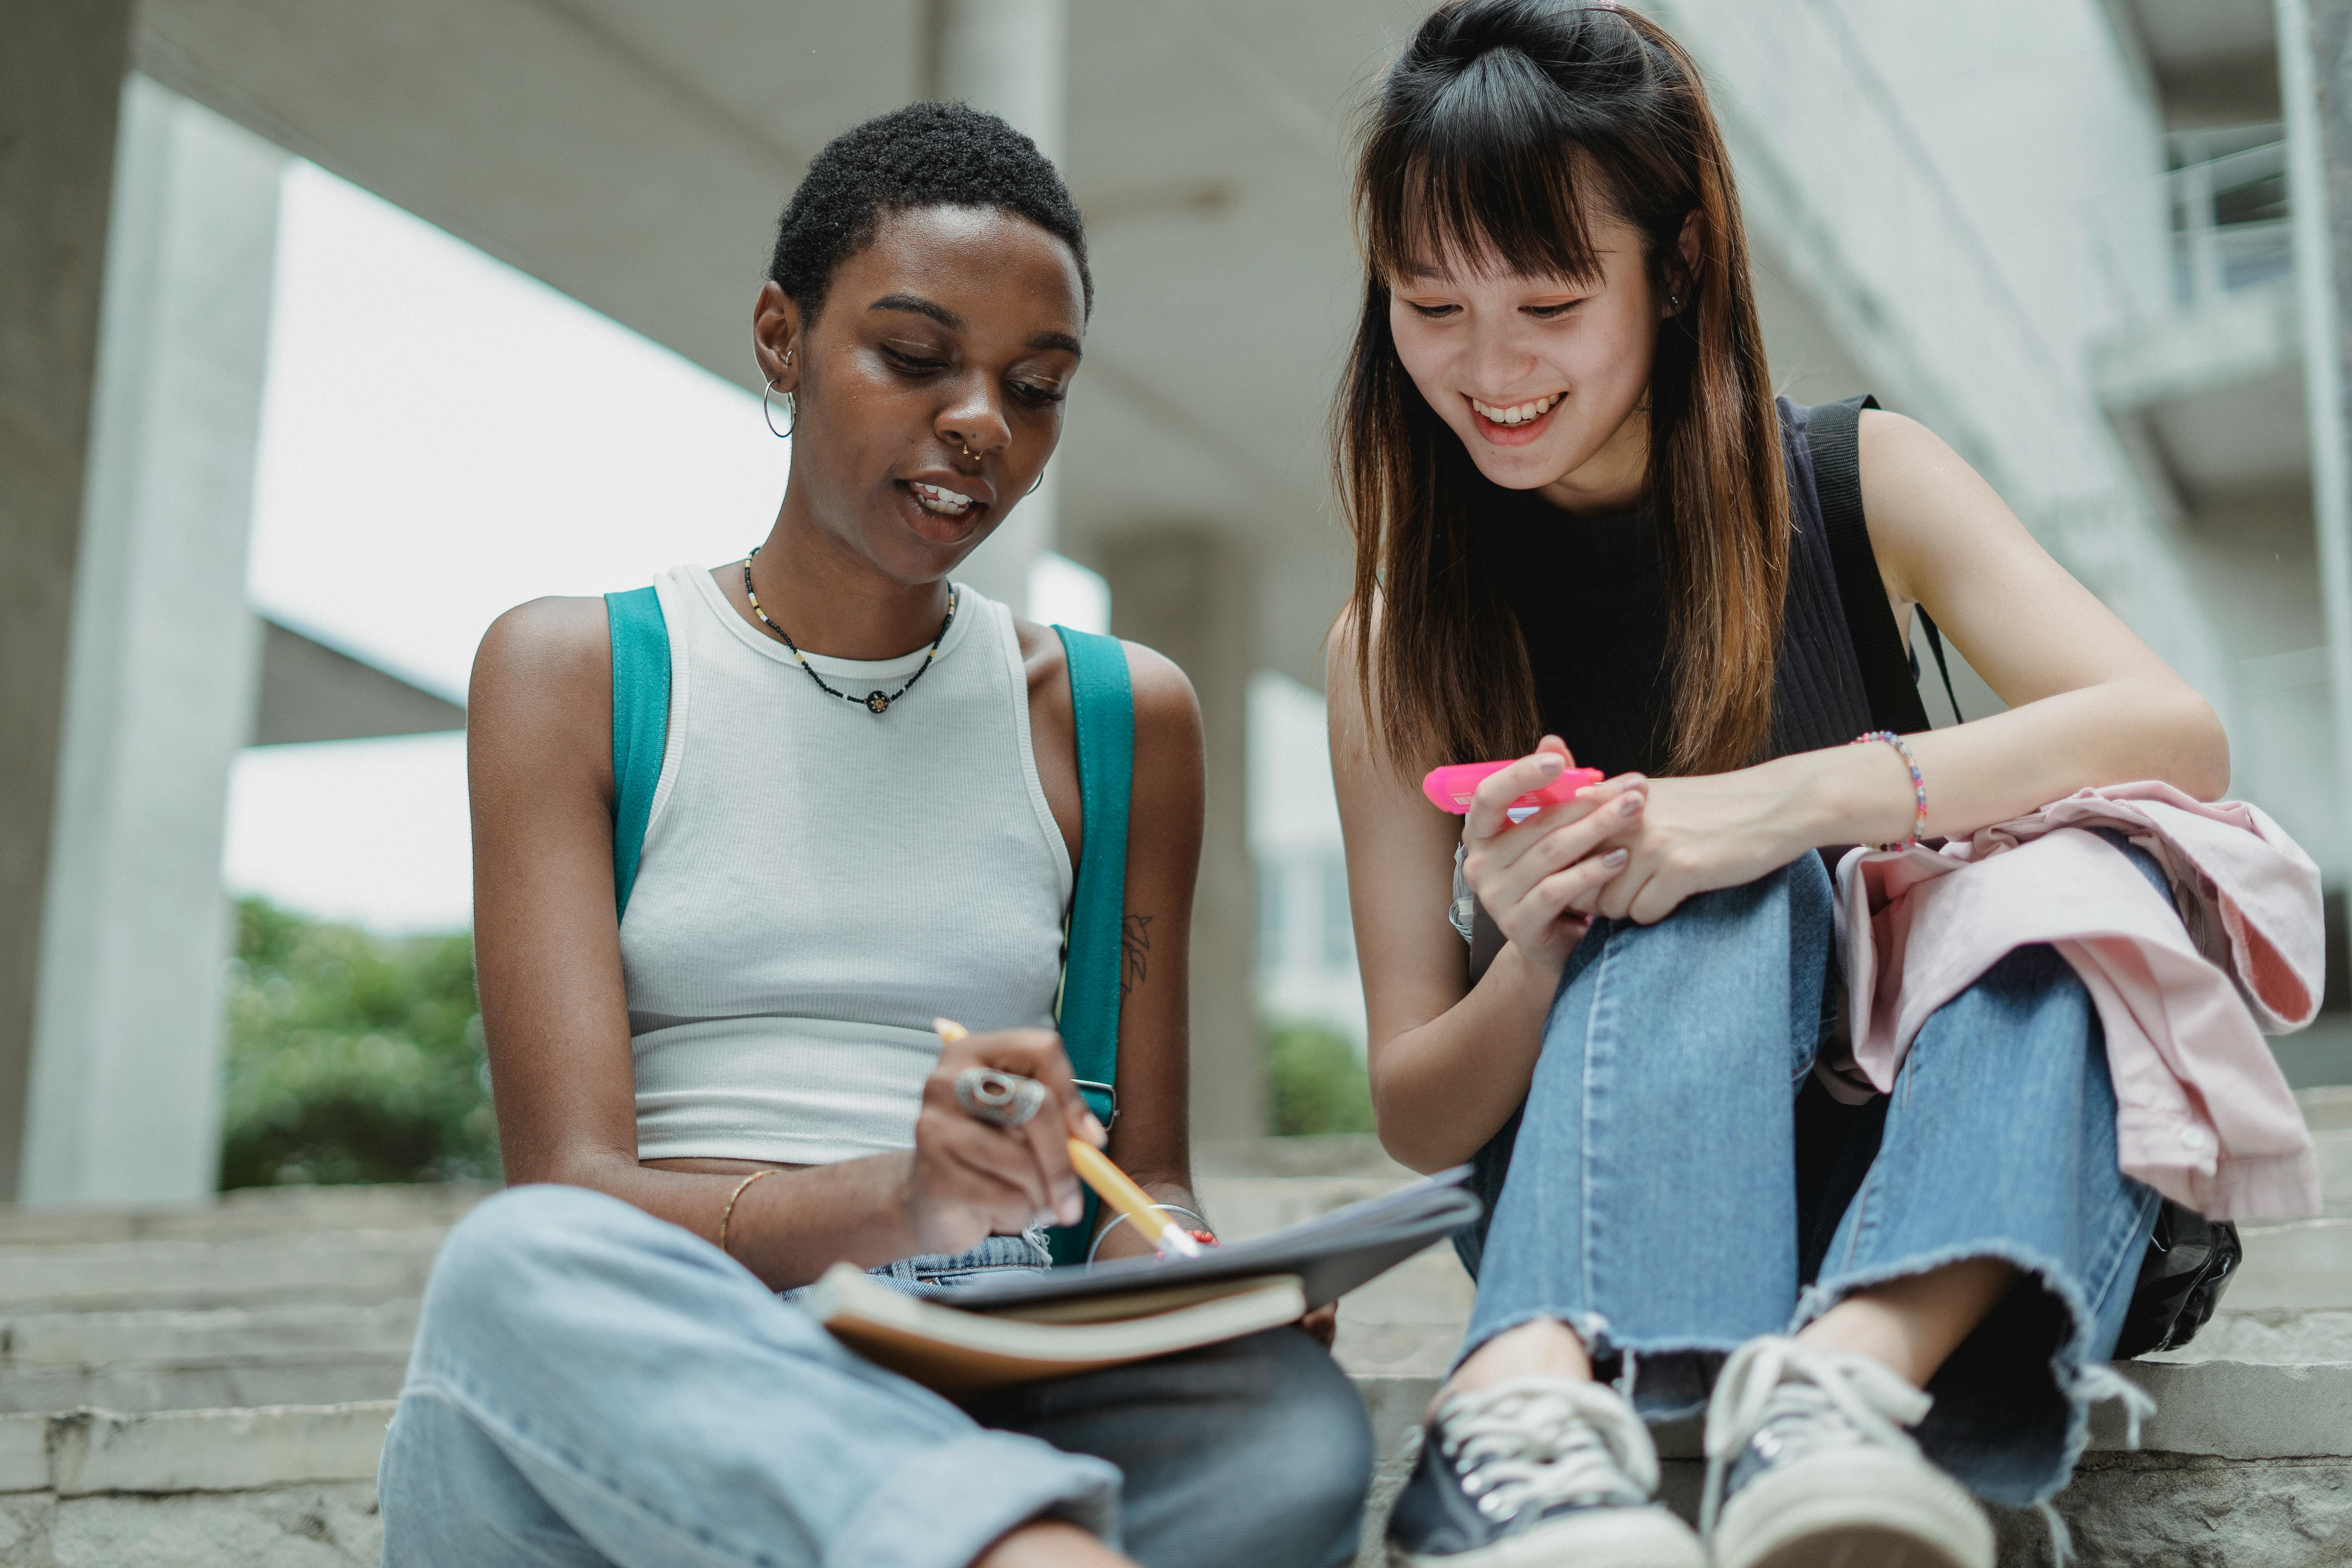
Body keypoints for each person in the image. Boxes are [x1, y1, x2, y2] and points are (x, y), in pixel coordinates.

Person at [377, 102, 1371, 1568]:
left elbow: (1136, 1173)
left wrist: (1184, 1262)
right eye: (915, 359)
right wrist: (897, 1200)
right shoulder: (575, 675)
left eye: (1036, 387)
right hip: (674, 1355)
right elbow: (573, 1188)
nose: (981, 420)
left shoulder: (1119, 718)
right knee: (514, 1272)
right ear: (781, 338)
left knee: (1291, 1420)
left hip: (999, 1350)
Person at [1325, 5, 2230, 1568]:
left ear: (1676, 269)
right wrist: (1539, 952)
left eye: (1548, 300)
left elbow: (2175, 732)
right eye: (1430, 306)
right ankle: (1512, 1409)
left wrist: (1778, 803)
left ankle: (1836, 1400)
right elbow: (1417, 1109)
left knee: (2077, 878)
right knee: (1699, 879)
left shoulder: (1852, 480)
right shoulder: (1398, 639)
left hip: (1963, 1191)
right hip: (1613, 1202)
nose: (1487, 369)